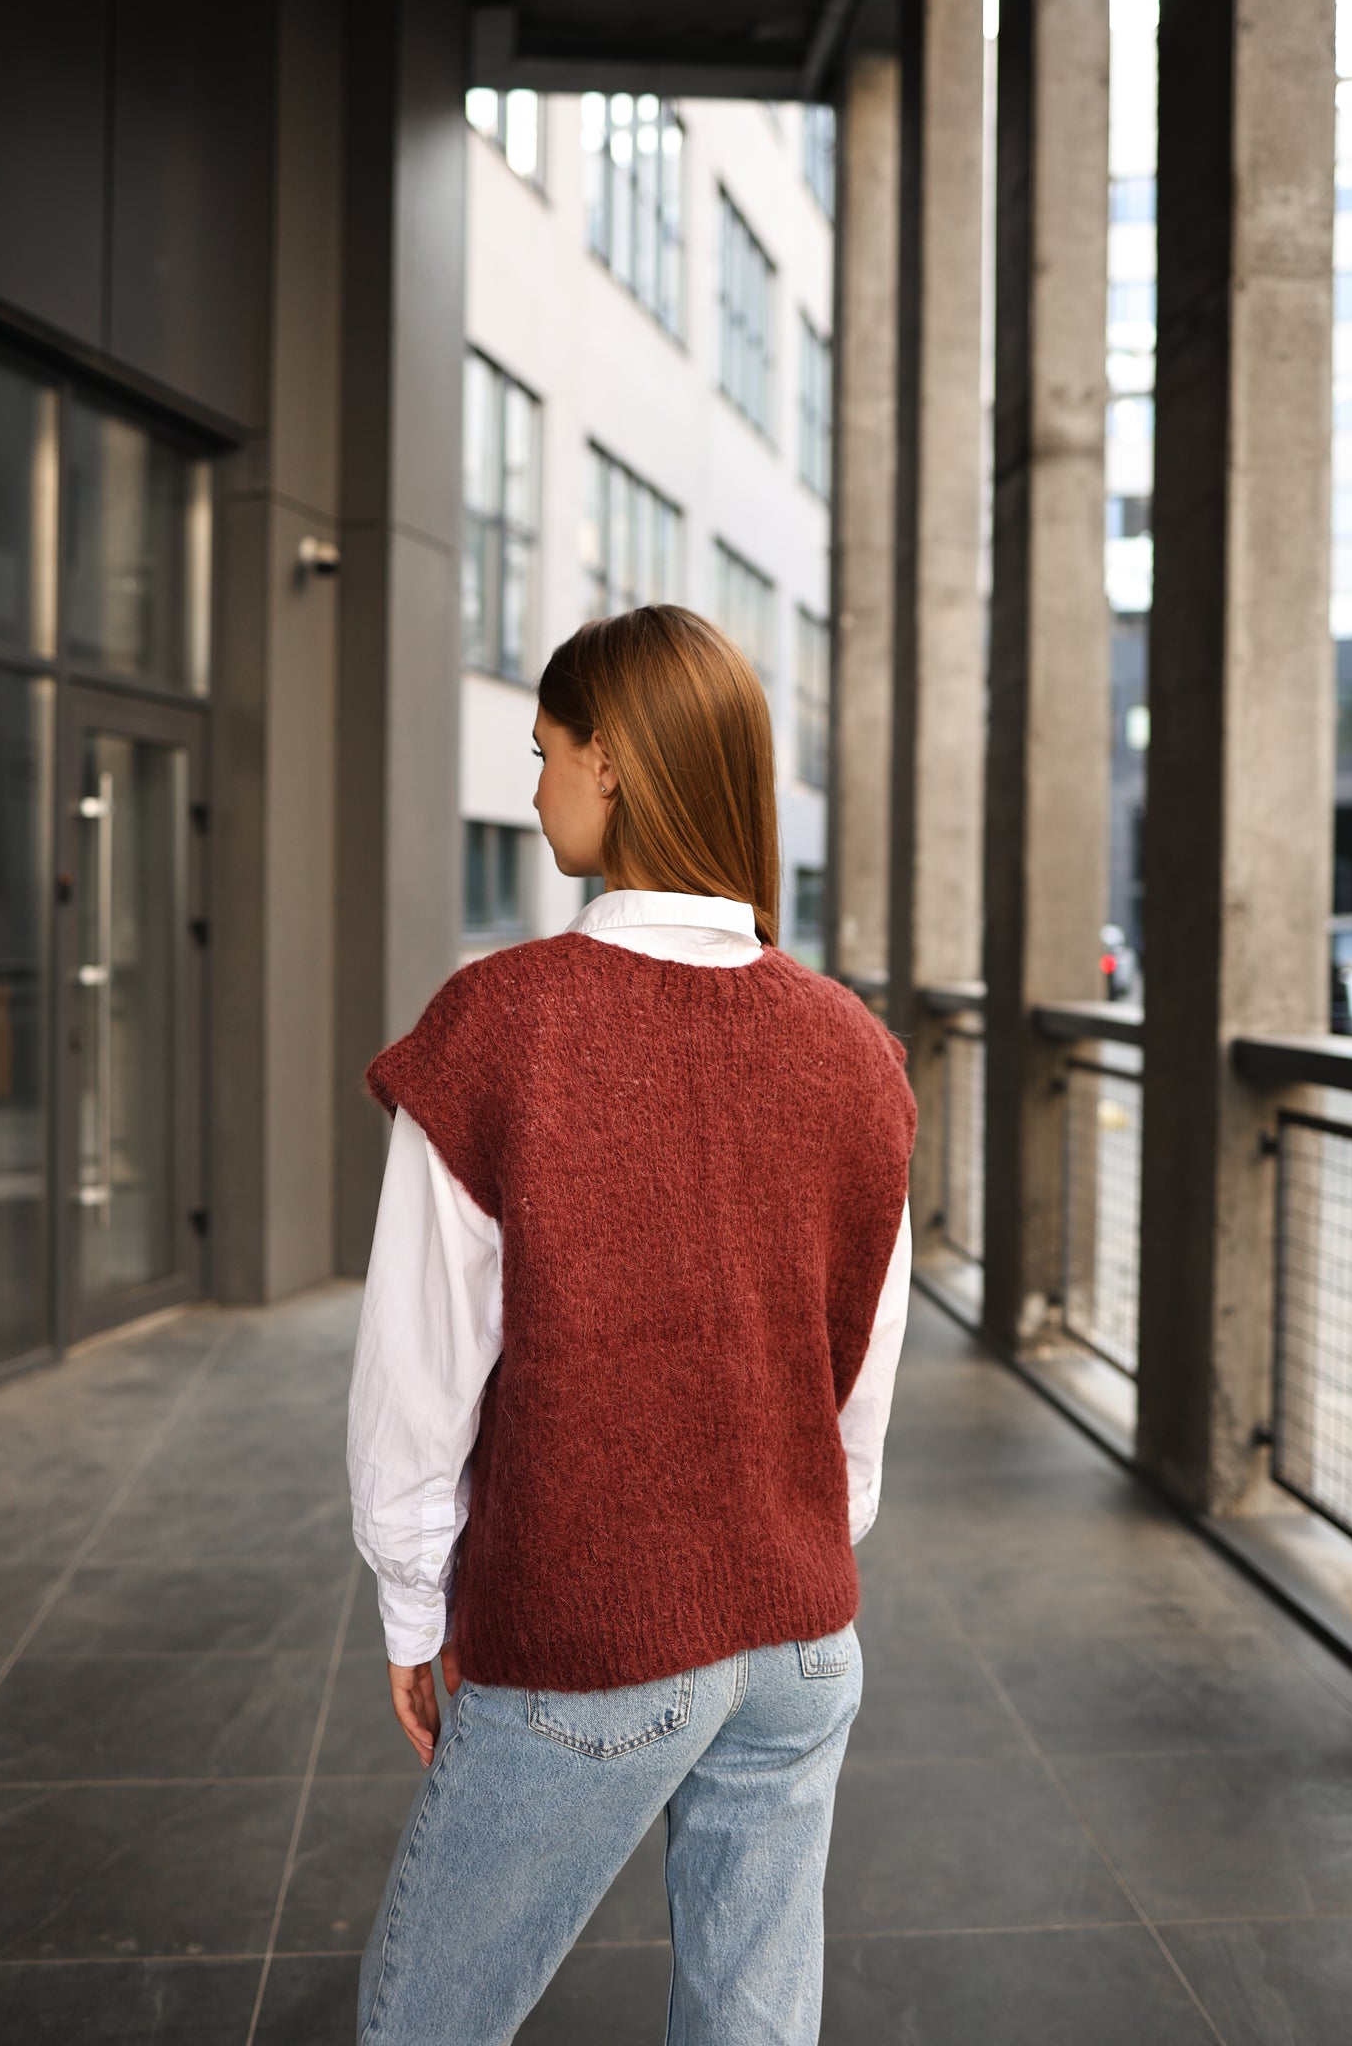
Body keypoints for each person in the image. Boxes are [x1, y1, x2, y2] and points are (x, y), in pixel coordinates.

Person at [347, 603, 917, 2046]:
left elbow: (418, 1374)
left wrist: (417, 1609)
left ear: (612, 765)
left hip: (586, 1637)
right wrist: (789, 1553)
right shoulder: (854, 1050)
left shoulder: (498, 1025)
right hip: (800, 1642)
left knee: (429, 2021)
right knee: (751, 2024)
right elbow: (859, 1381)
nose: (535, 785)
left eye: (543, 751)